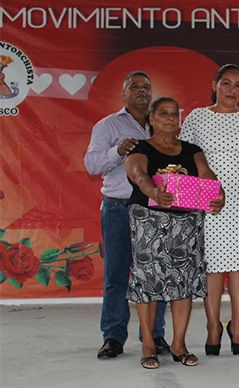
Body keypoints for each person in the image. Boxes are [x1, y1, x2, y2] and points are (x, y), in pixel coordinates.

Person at [125, 97, 225, 368]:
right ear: (152, 119)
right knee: (149, 285)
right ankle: (148, 344)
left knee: (183, 284)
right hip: (149, 223)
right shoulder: (140, 147)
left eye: (174, 114)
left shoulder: (192, 150)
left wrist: (219, 194)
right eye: (163, 114)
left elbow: (207, 175)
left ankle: (179, 344)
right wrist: (153, 192)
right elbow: (138, 174)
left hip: (186, 225)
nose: (170, 118)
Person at [179, 64, 239, 356]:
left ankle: (237, 327)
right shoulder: (197, 117)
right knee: (211, 269)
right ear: (214, 85)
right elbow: (186, 159)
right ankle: (213, 327)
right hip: (208, 201)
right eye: (225, 83)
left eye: (238, 85)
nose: (232, 90)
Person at [84, 71, 169, 360]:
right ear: (123, 94)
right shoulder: (108, 126)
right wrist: (117, 151)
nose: (142, 91)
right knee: (117, 276)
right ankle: (113, 337)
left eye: (147, 86)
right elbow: (92, 165)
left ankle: (155, 335)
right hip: (119, 209)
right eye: (135, 86)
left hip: (155, 210)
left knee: (157, 276)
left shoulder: (161, 125)